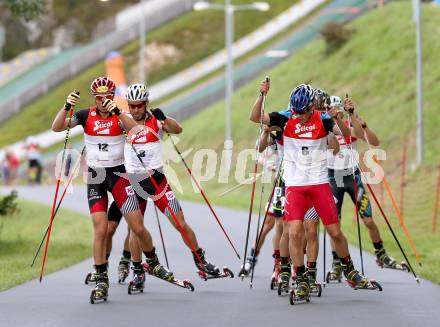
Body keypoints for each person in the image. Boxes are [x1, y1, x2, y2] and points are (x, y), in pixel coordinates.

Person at [249, 80, 378, 302]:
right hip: (295, 187)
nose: (299, 116)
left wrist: (338, 116)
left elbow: (345, 137)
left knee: (335, 232)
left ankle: (350, 271)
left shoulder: (324, 119)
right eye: (296, 112)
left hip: (319, 185)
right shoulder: (285, 116)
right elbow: (255, 118)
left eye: (303, 112)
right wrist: (261, 95)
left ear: (311, 108)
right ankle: (300, 280)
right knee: (295, 232)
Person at [51, 77, 172, 303]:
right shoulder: (86, 115)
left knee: (137, 226)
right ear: (94, 98)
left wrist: (119, 112)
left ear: (113, 96)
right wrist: (66, 107)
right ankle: (101, 278)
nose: (103, 100)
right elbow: (57, 127)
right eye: (99, 97)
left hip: (119, 176)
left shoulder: (119, 115)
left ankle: (152, 262)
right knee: (101, 229)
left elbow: (136, 130)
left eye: (107, 97)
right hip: (96, 176)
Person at [106, 83, 221, 288]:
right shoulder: (123, 119)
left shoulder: (156, 120)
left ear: (146, 103)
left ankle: (201, 261)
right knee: (135, 230)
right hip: (133, 182)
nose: (135, 109)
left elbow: (178, 129)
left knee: (180, 224)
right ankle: (138, 270)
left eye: (139, 105)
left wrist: (164, 117)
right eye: (131, 105)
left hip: (158, 182)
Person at [326, 95, 400, 281]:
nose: (336, 113)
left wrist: (360, 122)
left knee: (367, 220)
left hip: (353, 177)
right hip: (334, 179)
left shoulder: (348, 124)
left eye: (338, 110)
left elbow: (373, 141)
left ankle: (381, 253)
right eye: (333, 110)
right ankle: (337, 264)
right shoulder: (326, 126)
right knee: (335, 225)